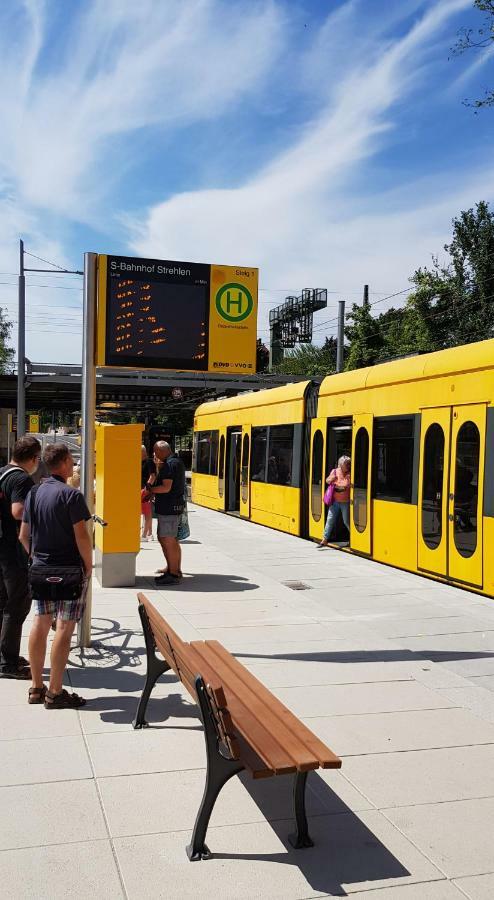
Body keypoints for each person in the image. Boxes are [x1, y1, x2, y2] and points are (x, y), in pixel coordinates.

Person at [19, 443, 92, 708]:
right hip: (70, 571)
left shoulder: (34, 493)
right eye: (71, 460)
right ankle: (55, 692)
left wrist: (36, 558)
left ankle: (36, 688)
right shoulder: (71, 495)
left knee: (40, 623)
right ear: (62, 463)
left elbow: (23, 536)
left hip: (40, 569)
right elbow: (82, 536)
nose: (73, 464)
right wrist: (88, 565)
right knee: (64, 627)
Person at [0, 435, 41, 679]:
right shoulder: (21, 478)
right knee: (17, 605)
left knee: (2, 602)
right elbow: (18, 511)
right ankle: (8, 663)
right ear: (35, 458)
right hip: (13, 550)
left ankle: (5, 654)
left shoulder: (3, 471)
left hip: (0, 546)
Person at [146, 441, 185, 585]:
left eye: (156, 452)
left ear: (162, 451)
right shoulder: (175, 462)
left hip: (169, 507)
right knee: (170, 539)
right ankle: (173, 568)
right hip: (172, 507)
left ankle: (173, 574)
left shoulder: (169, 465)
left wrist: (150, 490)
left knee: (167, 539)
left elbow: (166, 487)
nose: (154, 455)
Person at [318, 455, 351, 547]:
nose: (348, 466)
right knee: (330, 519)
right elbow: (327, 480)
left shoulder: (350, 473)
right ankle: (325, 539)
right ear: (341, 465)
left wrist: (339, 485)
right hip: (335, 501)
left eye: (349, 464)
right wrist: (330, 480)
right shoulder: (335, 471)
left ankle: (354, 538)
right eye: (346, 464)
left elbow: (347, 485)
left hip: (345, 501)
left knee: (346, 521)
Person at [140, 445, 156, 541]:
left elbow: (152, 476)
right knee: (146, 512)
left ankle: (144, 535)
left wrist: (147, 488)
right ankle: (150, 533)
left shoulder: (149, 462)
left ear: (143, 452)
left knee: (146, 513)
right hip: (142, 489)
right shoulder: (140, 462)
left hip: (146, 490)